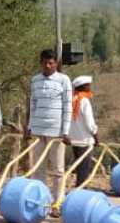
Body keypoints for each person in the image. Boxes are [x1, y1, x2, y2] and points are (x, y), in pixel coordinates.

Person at [26, 49, 73, 188]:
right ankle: (41, 197)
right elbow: (33, 104)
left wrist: (65, 131)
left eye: (51, 63)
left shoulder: (64, 80)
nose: (47, 66)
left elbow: (67, 106)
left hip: (56, 132)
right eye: (45, 63)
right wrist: (29, 127)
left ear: (56, 64)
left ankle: (57, 199)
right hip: (38, 131)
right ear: (41, 63)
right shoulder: (35, 80)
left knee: (57, 170)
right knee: (38, 167)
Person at [67, 75, 99, 186]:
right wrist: (96, 136)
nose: (90, 87)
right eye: (88, 85)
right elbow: (89, 123)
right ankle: (82, 190)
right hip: (85, 140)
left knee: (79, 167)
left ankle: (79, 188)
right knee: (84, 168)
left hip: (74, 139)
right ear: (84, 87)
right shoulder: (84, 101)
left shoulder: (72, 100)